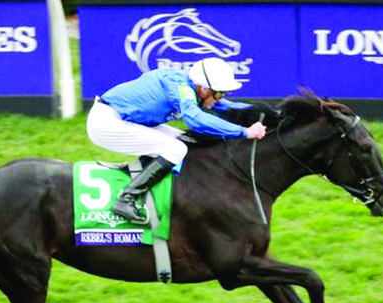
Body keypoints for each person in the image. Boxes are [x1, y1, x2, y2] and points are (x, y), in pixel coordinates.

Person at [87, 57, 267, 224]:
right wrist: (243, 132)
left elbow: (225, 106)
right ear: (204, 89)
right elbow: (195, 119)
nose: (220, 99)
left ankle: (154, 185)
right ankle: (126, 199)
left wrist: (269, 113)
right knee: (175, 149)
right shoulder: (181, 87)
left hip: (123, 119)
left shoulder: (193, 86)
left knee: (185, 140)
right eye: (220, 94)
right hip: (106, 123)